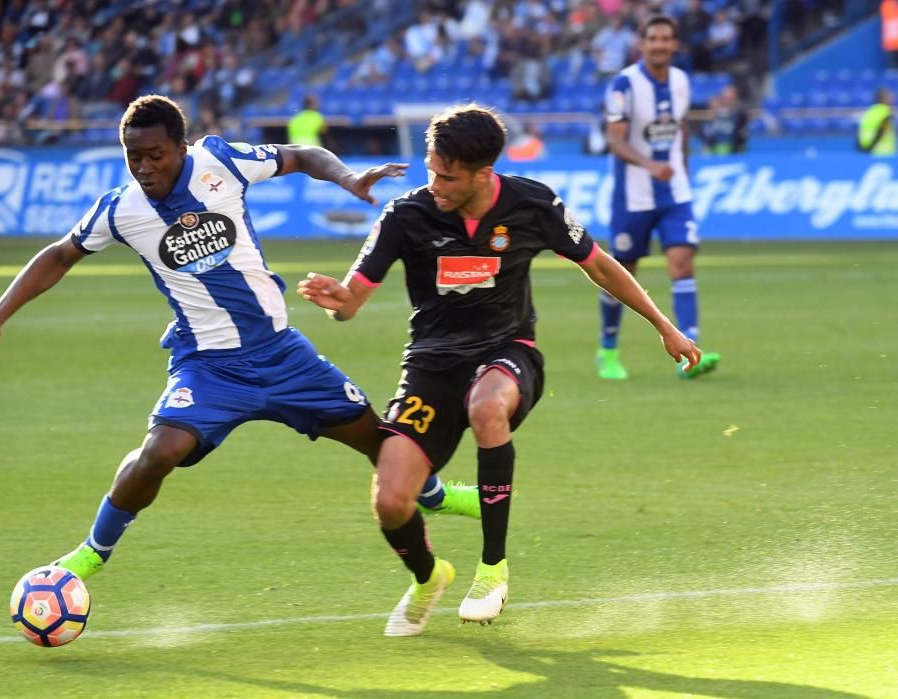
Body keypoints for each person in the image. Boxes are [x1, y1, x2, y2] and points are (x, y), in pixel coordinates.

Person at [0, 94, 479, 584]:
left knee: (377, 438)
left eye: (155, 155)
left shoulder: (221, 161)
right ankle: (93, 552)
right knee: (160, 452)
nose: (144, 168)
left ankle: (430, 494)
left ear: (181, 148)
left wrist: (346, 178)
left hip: (282, 354)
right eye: (132, 157)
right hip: (209, 366)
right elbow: (59, 254)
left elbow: (301, 154)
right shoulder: (120, 209)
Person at [298, 104, 701, 636]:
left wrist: (663, 326)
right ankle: (427, 577)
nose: (434, 183)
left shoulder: (533, 204)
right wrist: (334, 299)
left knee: (487, 407)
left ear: (483, 173)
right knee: (392, 502)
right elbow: (351, 302)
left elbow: (600, 264)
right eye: (430, 169)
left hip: (508, 351)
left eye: (447, 176)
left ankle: (493, 569)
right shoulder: (405, 215)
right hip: (431, 366)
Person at [596, 14, 721, 381]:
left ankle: (691, 352)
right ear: (643, 43)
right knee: (623, 272)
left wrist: (683, 168)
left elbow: (680, 127)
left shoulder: (681, 81)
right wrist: (651, 165)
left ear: (675, 44)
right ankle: (607, 350)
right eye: (654, 38)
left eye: (667, 38)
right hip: (634, 196)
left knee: (682, 262)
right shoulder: (625, 85)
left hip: (674, 193)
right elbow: (615, 140)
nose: (660, 44)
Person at [700, 84, 748, 155]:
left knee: (724, 147)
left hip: (733, 147)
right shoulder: (714, 114)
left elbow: (739, 133)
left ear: (735, 97)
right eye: (725, 96)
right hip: (715, 145)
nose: (727, 98)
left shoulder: (740, 113)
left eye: (730, 96)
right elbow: (707, 133)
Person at [857, 87, 895, 156]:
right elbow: (882, 130)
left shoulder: (869, 111)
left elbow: (860, 131)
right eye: (889, 96)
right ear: (883, 98)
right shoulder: (885, 112)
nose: (892, 98)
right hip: (883, 152)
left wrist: (862, 149)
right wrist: (871, 147)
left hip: (866, 150)